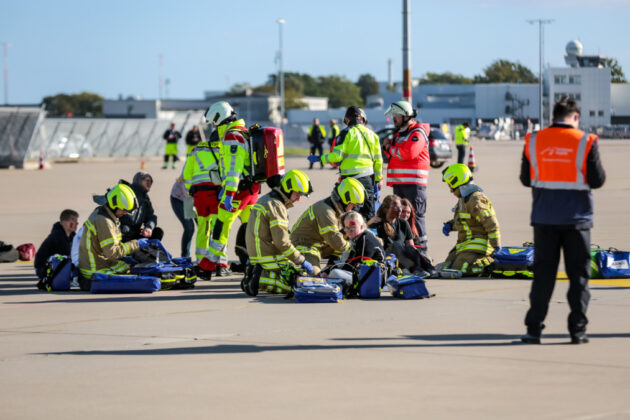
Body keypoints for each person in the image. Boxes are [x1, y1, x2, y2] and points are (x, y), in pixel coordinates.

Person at [520, 97, 606, 345]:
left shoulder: (534, 140)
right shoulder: (586, 141)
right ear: (575, 117)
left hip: (544, 218)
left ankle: (533, 329)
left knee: (543, 277)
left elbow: (526, 179)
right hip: (577, 220)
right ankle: (577, 331)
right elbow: (598, 180)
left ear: (553, 117)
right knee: (578, 277)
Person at [200, 101, 261, 277]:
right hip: (252, 190)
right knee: (252, 229)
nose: (213, 126)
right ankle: (257, 262)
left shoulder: (231, 137)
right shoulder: (242, 132)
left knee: (220, 227)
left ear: (219, 118)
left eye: (213, 122)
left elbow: (234, 169)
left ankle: (207, 266)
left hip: (238, 192)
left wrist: (228, 193)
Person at [242, 169, 315, 296]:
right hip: (266, 256)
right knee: (297, 284)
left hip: (259, 253)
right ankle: (259, 279)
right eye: (297, 194)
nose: (298, 198)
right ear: (288, 188)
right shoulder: (277, 206)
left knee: (295, 271)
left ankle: (255, 273)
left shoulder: (268, 199)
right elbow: (282, 242)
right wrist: (302, 260)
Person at [314, 106, 383, 222]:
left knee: (350, 217)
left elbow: (336, 156)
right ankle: (370, 238)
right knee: (369, 215)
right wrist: (378, 182)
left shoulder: (346, 133)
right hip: (368, 181)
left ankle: (351, 239)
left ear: (347, 119)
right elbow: (378, 161)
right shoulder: (373, 135)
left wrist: (319, 158)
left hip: (351, 181)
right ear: (361, 119)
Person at [78, 184, 151, 283]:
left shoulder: (105, 213)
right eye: (124, 210)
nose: (125, 213)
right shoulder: (104, 221)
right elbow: (112, 253)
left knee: (129, 266)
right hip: (94, 270)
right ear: (114, 205)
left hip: (98, 263)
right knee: (134, 273)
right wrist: (137, 244)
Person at [382, 100, 430, 251]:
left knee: (416, 218)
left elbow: (408, 153)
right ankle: (407, 250)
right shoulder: (399, 134)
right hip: (400, 184)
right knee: (401, 218)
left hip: (414, 184)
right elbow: (393, 156)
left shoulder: (417, 133)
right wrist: (387, 147)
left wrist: (390, 148)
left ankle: (422, 251)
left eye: (396, 115)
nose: (393, 118)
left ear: (405, 115)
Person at [290, 177, 366, 269]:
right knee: (313, 278)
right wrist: (355, 248)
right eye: (353, 204)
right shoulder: (326, 212)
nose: (354, 207)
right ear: (345, 199)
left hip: (318, 245)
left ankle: (332, 267)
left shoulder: (336, 209)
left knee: (347, 234)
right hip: (305, 246)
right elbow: (336, 242)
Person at [441, 163, 501, 276]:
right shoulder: (464, 199)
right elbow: (465, 221)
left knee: (461, 269)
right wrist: (451, 225)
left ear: (456, 181)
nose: (450, 190)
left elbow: (491, 223)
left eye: (450, 185)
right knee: (447, 266)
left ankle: (490, 263)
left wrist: (496, 246)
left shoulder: (475, 199)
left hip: (479, 246)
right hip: (464, 245)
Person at [182, 129, 222, 277]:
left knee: (203, 229)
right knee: (219, 228)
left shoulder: (195, 150)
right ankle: (219, 263)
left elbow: (187, 174)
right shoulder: (222, 148)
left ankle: (201, 261)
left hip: (198, 195)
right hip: (215, 194)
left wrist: (190, 191)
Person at [368, 194, 426, 275]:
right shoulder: (377, 223)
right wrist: (368, 223)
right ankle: (412, 269)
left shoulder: (403, 223)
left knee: (412, 250)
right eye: (395, 207)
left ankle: (426, 268)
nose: (399, 210)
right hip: (386, 258)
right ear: (386, 209)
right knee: (396, 245)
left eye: (400, 207)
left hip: (401, 258)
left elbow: (411, 246)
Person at [34, 209, 79, 279]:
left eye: (76, 221)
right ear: (64, 222)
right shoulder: (58, 236)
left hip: (57, 265)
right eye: (72, 220)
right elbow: (70, 256)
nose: (76, 223)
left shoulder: (72, 235)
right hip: (45, 269)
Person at [119, 171, 163, 242]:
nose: (149, 183)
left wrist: (149, 227)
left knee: (158, 232)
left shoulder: (145, 199)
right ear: (138, 181)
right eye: (146, 180)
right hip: (121, 233)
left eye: (151, 181)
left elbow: (151, 217)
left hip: (135, 233)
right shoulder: (125, 194)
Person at [170, 176, 195, 258]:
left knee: (206, 228)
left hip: (195, 199)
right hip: (180, 199)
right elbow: (185, 185)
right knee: (189, 228)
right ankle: (185, 257)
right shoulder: (190, 164)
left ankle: (208, 258)